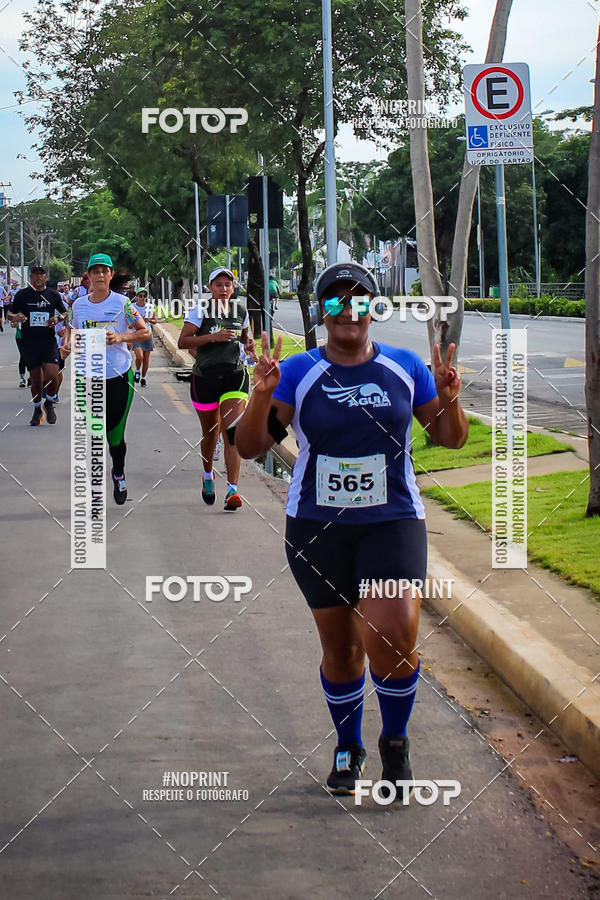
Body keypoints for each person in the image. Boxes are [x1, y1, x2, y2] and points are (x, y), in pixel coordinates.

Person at [234, 262, 469, 799]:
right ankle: (347, 745)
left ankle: (396, 742)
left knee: (392, 633)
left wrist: (450, 395)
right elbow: (250, 447)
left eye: (358, 299)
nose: (347, 309)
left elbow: (449, 439)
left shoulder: (406, 366)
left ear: (373, 309)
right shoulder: (297, 370)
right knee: (341, 648)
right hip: (318, 529)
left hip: (391, 522)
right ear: (321, 311)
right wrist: (261, 394)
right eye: (335, 301)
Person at [62, 253, 150, 504]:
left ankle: (119, 472)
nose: (100, 275)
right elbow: (71, 331)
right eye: (95, 271)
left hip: (119, 375)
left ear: (111, 275)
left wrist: (120, 338)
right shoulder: (78, 305)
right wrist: (66, 346)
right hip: (87, 376)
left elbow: (143, 331)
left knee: (114, 435)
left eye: (105, 271)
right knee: (94, 432)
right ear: (87, 276)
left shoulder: (123, 304)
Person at [177, 266, 257, 510]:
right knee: (211, 433)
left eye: (228, 285)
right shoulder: (200, 310)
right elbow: (183, 342)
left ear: (233, 288)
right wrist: (212, 337)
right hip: (205, 378)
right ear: (210, 288)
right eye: (219, 285)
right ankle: (208, 475)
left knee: (231, 431)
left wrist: (251, 347)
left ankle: (233, 490)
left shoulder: (240, 311)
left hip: (235, 375)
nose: (223, 289)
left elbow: (246, 340)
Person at [7, 265, 67, 425]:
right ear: (31, 277)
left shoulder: (53, 295)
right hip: (29, 342)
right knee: (35, 378)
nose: (39, 277)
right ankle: (36, 408)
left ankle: (49, 401)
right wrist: (16, 317)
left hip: (48, 341)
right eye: (36, 274)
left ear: (46, 277)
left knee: (53, 374)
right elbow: (9, 313)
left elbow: (65, 312)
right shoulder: (22, 295)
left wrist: (57, 319)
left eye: (42, 274)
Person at [131, 287, 157, 386]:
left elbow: (155, 321)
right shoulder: (132, 307)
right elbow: (128, 321)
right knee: (139, 356)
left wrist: (149, 320)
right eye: (140, 296)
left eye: (144, 296)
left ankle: (143, 378)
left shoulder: (150, 307)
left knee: (146, 358)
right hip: (136, 334)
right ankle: (137, 370)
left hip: (147, 334)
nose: (142, 298)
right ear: (136, 297)